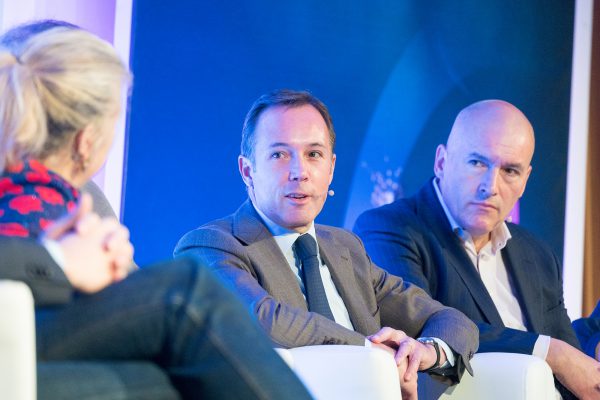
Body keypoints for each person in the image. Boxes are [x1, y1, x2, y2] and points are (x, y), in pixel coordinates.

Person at [0, 26, 312, 399]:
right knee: (183, 290)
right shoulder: (33, 191)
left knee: (168, 382)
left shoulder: (74, 199)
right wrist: (61, 261)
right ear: (87, 141)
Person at [174, 89, 479, 400]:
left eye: (313, 154)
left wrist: (425, 351)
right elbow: (262, 321)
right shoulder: (210, 246)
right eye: (279, 154)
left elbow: (451, 321)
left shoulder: (346, 249)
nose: (299, 172)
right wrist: (376, 356)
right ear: (248, 171)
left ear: (331, 169)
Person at [353, 99, 600, 399]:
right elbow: (419, 328)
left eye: (510, 170)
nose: (490, 186)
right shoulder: (389, 228)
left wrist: (573, 352)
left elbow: (576, 370)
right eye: (477, 162)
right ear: (442, 162)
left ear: (525, 181)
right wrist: (550, 352)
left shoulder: (537, 254)